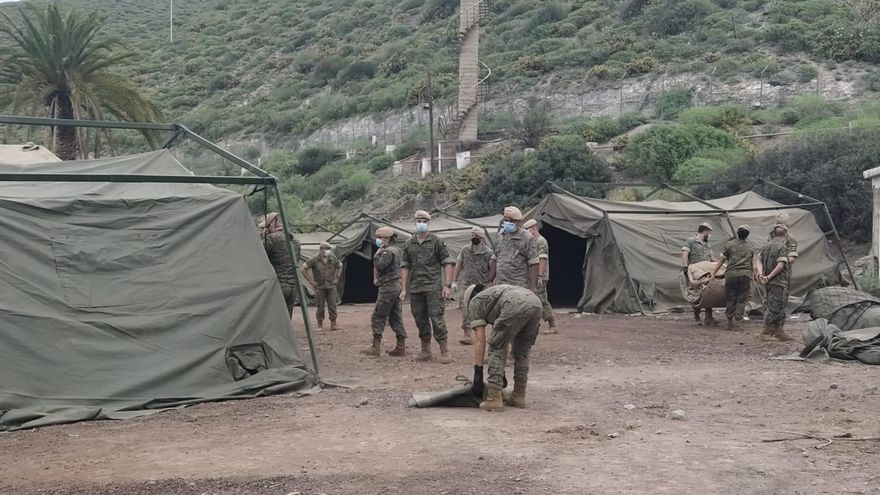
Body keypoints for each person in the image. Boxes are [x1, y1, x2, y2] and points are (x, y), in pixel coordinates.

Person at [463, 283, 542, 411]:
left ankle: (494, 398)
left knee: (495, 346)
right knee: (522, 351)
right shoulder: (494, 294)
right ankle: (519, 396)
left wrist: (478, 372)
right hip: (535, 303)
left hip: (514, 304)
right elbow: (504, 342)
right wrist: (501, 370)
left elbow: (479, 340)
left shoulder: (475, 302)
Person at [400, 210, 456, 363]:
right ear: (415, 222)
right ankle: (426, 350)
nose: (422, 223)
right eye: (419, 220)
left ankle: (444, 350)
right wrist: (404, 288)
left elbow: (447, 263)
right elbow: (405, 266)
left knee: (436, 318)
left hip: (433, 287)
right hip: (416, 288)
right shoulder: (409, 243)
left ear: (428, 223)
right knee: (420, 319)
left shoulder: (436, 241)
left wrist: (447, 285)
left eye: (425, 221)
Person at [362, 227, 406, 357]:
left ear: (389, 239)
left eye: (383, 238)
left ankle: (375, 347)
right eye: (379, 238)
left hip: (388, 287)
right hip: (395, 286)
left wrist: (376, 255)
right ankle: (400, 346)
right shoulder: (397, 250)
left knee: (378, 316)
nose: (380, 240)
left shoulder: (387, 252)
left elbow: (381, 265)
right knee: (395, 316)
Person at [452, 226, 494, 345]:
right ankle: (467, 335)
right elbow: (459, 264)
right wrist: (454, 281)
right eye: (472, 235)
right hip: (467, 284)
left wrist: (490, 281)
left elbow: (492, 268)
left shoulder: (488, 252)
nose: (473, 238)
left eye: (476, 236)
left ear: (482, 238)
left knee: (482, 310)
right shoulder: (465, 250)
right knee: (465, 309)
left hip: (482, 285)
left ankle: (482, 334)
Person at [709, 225, 755, 331]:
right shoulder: (750, 247)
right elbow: (751, 263)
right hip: (745, 275)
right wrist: (751, 276)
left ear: (738, 233)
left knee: (731, 297)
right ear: (747, 235)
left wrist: (713, 273)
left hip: (731, 275)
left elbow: (721, 260)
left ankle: (729, 322)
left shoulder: (729, 245)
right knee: (742, 298)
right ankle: (737, 321)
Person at [756, 224, 794, 342]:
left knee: (777, 306)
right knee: (775, 307)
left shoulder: (766, 246)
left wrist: (762, 275)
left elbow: (759, 260)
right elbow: (780, 265)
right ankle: (765, 333)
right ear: (786, 234)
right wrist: (769, 276)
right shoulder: (782, 247)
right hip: (779, 282)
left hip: (769, 282)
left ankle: (779, 331)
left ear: (773, 234)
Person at [259, 212, 301, 315]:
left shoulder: (272, 238)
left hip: (278, 285)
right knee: (287, 318)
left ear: (272, 224)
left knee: (273, 317)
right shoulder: (295, 240)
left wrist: (262, 237)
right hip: (293, 286)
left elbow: (258, 256)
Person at [492, 206, 539, 292]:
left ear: (519, 222)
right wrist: (490, 280)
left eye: (512, 221)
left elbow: (534, 264)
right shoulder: (500, 235)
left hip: (519, 286)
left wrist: (533, 287)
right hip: (500, 285)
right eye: (506, 220)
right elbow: (495, 258)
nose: (508, 223)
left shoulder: (527, 237)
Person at [523, 218, 558, 334]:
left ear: (534, 228)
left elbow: (543, 258)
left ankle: (552, 325)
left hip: (539, 276)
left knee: (542, 300)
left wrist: (539, 275)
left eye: (528, 229)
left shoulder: (541, 241)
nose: (527, 232)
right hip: (532, 275)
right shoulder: (532, 241)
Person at [301, 242, 342, 331]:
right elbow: (303, 269)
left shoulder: (332, 258)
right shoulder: (314, 259)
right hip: (319, 286)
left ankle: (333, 324)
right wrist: (311, 281)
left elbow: (340, 266)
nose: (328, 251)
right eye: (326, 249)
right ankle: (320, 325)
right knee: (320, 306)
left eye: (329, 249)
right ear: (321, 249)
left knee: (332, 305)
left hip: (331, 286)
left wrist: (337, 278)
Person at [681, 222, 716, 326]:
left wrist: (721, 263)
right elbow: (685, 253)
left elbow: (712, 258)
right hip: (696, 272)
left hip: (706, 272)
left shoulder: (707, 244)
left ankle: (708, 318)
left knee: (709, 293)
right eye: (709, 233)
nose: (710, 235)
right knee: (696, 295)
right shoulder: (691, 241)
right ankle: (697, 318)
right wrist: (685, 267)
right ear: (705, 232)